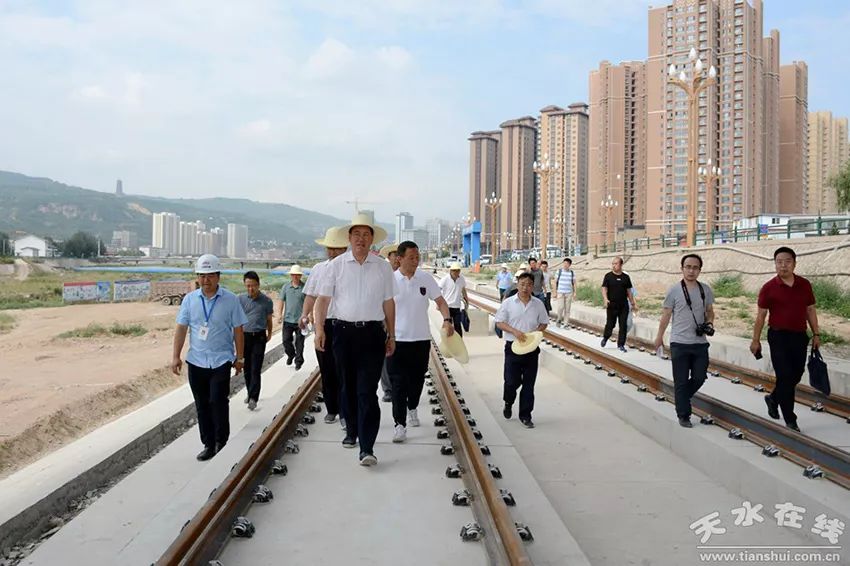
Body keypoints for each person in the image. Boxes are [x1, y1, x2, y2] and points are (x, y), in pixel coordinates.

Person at [315, 213, 396, 467]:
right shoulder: (335, 266)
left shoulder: (382, 267)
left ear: (372, 239)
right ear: (349, 238)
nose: (361, 239)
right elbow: (323, 301)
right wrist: (320, 329)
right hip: (342, 334)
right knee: (347, 387)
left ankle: (367, 447)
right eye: (357, 234)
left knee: (367, 391)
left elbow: (388, 303)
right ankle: (352, 429)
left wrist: (391, 334)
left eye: (366, 235)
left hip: (372, 334)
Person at [171, 254, 248, 461]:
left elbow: (238, 330)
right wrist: (176, 356)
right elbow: (181, 328)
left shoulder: (231, 300)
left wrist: (240, 358)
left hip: (221, 360)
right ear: (198, 277)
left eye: (210, 275)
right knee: (202, 404)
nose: (206, 280)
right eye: (202, 276)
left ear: (218, 277)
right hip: (196, 361)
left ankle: (221, 441)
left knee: (218, 400)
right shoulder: (189, 300)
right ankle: (208, 444)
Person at [388, 241, 454, 443]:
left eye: (418, 257)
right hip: (396, 340)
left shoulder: (425, 278)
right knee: (398, 384)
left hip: (420, 340)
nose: (416, 261)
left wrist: (447, 319)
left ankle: (413, 407)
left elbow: (441, 302)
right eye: (411, 257)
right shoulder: (389, 280)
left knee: (416, 381)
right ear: (399, 258)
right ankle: (400, 424)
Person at [751, 246, 820, 432]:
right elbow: (760, 316)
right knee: (785, 376)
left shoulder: (804, 285)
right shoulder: (768, 288)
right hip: (778, 336)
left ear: (794, 263)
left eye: (787, 261)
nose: (783, 266)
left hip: (799, 336)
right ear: (775, 264)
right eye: (779, 262)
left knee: (796, 374)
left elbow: (810, 310)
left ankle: (773, 398)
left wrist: (816, 334)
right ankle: (790, 419)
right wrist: (755, 340)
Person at [653, 254, 715, 428]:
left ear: (700, 270)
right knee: (680, 380)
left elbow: (710, 311)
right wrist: (659, 337)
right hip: (679, 343)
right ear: (682, 268)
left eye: (695, 267)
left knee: (699, 377)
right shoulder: (674, 290)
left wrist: (709, 322)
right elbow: (666, 314)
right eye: (688, 267)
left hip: (700, 343)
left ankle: (681, 397)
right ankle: (684, 415)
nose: (691, 270)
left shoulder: (705, 290)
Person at [301, 227, 349, 427]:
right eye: (330, 248)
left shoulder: (350, 268)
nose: (332, 252)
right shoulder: (319, 269)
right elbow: (311, 295)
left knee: (345, 370)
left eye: (337, 248)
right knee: (327, 368)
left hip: (345, 324)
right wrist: (305, 314)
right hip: (324, 323)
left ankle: (346, 411)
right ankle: (332, 408)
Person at [494, 272, 549, 428]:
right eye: (522, 284)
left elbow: (544, 322)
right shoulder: (509, 303)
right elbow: (499, 322)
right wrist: (514, 331)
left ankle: (525, 415)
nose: (525, 287)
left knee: (529, 385)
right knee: (511, 382)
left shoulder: (538, 304)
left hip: (531, 349)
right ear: (517, 284)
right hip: (513, 348)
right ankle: (508, 401)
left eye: (529, 284)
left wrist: (536, 333)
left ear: (533, 286)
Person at [238, 271, 274, 411]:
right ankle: (249, 392)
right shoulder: (239, 299)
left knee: (255, 368)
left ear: (258, 285)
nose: (250, 289)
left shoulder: (266, 301)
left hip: (259, 337)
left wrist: (269, 333)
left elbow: (269, 320)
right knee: (246, 368)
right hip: (244, 337)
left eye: (253, 286)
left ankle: (254, 398)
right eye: (248, 286)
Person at [601, 257, 637, 352]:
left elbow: (629, 291)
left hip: (623, 305)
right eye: (613, 263)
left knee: (623, 325)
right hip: (612, 305)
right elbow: (604, 288)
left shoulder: (626, 277)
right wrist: (605, 299)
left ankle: (621, 344)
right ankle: (605, 337)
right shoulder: (608, 276)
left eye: (616, 263)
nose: (614, 265)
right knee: (610, 325)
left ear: (621, 265)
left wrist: (632, 303)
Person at [378, 243, 400, 403]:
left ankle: (399, 386)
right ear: (389, 257)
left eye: (400, 255)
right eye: (395, 255)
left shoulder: (408, 275)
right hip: (385, 322)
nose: (398, 259)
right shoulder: (382, 275)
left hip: (405, 324)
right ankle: (388, 389)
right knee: (385, 357)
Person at [276, 265, 307, 370]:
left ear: (300, 276)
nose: (295, 277)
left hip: (300, 321)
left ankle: (299, 361)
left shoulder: (304, 287)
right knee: (286, 340)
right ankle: (291, 354)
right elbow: (281, 301)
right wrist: (279, 314)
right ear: (291, 276)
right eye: (293, 275)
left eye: (297, 275)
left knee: (300, 343)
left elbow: (309, 302)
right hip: (288, 319)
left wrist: (309, 315)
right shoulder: (285, 287)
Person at [439, 262, 469, 336]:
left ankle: (459, 342)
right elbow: (438, 290)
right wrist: (439, 303)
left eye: (457, 270)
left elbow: (463, 289)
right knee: (447, 324)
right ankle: (445, 339)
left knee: (457, 325)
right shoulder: (445, 279)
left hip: (456, 306)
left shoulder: (461, 279)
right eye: (454, 270)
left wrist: (466, 299)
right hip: (447, 306)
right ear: (450, 271)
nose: (456, 272)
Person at [554, 258, 576, 324]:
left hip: (569, 293)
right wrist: (555, 292)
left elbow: (574, 283)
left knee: (567, 309)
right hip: (560, 292)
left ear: (569, 265)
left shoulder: (572, 272)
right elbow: (555, 282)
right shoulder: (559, 271)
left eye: (567, 264)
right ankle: (559, 318)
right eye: (564, 263)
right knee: (560, 307)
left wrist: (575, 292)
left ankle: (566, 323)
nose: (565, 265)